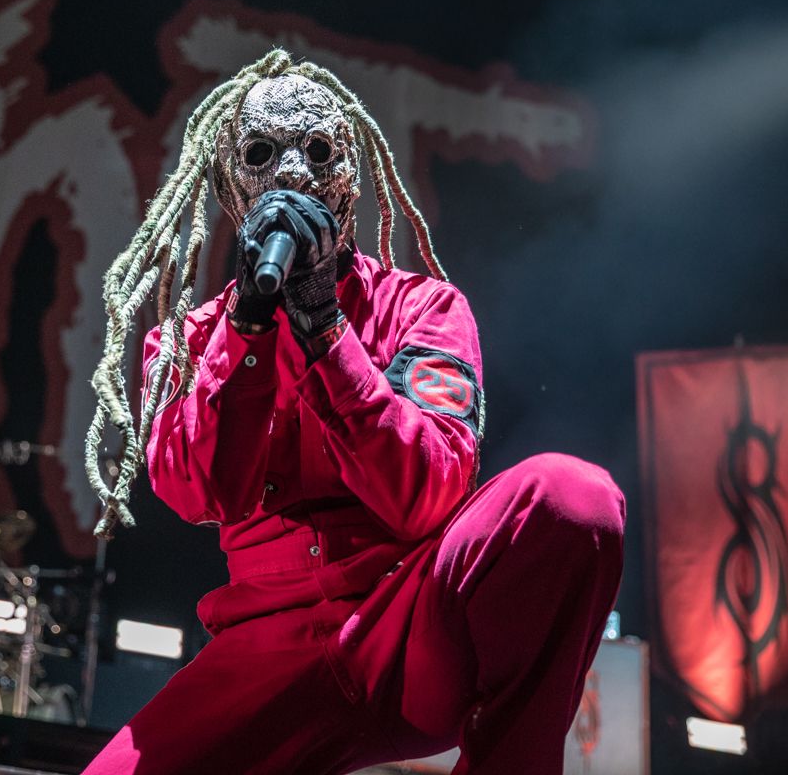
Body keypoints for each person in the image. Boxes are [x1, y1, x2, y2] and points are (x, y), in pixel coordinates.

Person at [82, 50, 624, 775]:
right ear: (229, 183)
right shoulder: (186, 339)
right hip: (265, 653)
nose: (295, 175)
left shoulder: (425, 309)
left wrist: (325, 331)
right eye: (263, 153)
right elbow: (196, 491)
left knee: (572, 495)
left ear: (352, 174)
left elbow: (426, 495)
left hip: (407, 630)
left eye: (318, 151)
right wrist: (248, 327)